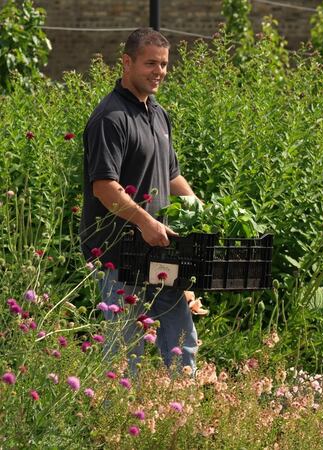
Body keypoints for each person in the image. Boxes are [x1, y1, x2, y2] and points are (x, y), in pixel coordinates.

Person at [80, 28, 199, 373]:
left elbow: (170, 173)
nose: (159, 71)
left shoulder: (158, 114)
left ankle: (182, 418)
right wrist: (145, 222)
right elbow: (103, 186)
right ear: (127, 62)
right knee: (122, 350)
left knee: (182, 342)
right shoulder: (111, 117)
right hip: (122, 253)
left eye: (163, 64)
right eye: (150, 63)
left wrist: (199, 207)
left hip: (162, 250)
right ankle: (111, 423)